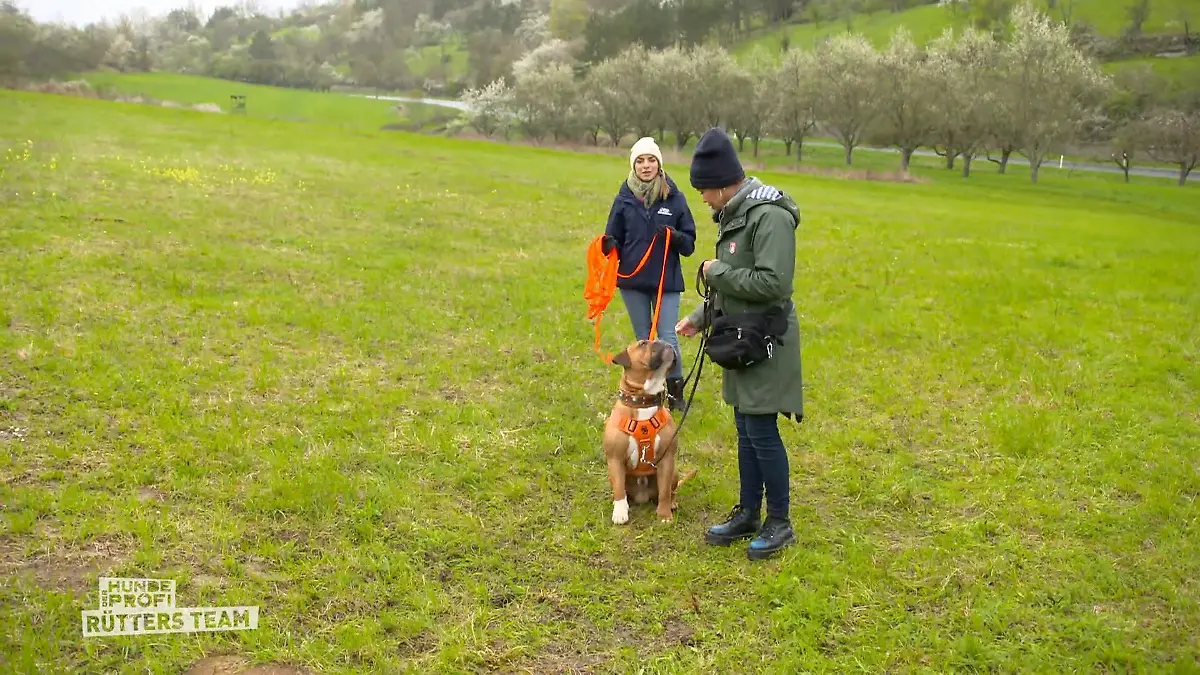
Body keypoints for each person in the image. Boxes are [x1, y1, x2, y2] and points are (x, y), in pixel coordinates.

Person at [675, 127, 803, 561]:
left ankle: (779, 522)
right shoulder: (735, 212)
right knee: (745, 430)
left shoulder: (770, 216)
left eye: (704, 191)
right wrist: (699, 316)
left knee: (762, 430)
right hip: (739, 335)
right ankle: (748, 512)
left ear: (722, 183)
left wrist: (715, 273)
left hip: (766, 335)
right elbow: (731, 282)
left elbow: (773, 282)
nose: (704, 200)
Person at [602, 136, 697, 412]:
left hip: (665, 281)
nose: (646, 166)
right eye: (640, 161)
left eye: (651, 160)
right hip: (632, 280)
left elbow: (689, 243)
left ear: (659, 164)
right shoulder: (624, 198)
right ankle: (649, 392)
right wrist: (608, 245)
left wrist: (674, 236)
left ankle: (675, 394)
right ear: (633, 166)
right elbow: (613, 237)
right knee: (644, 339)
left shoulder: (675, 199)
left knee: (667, 337)